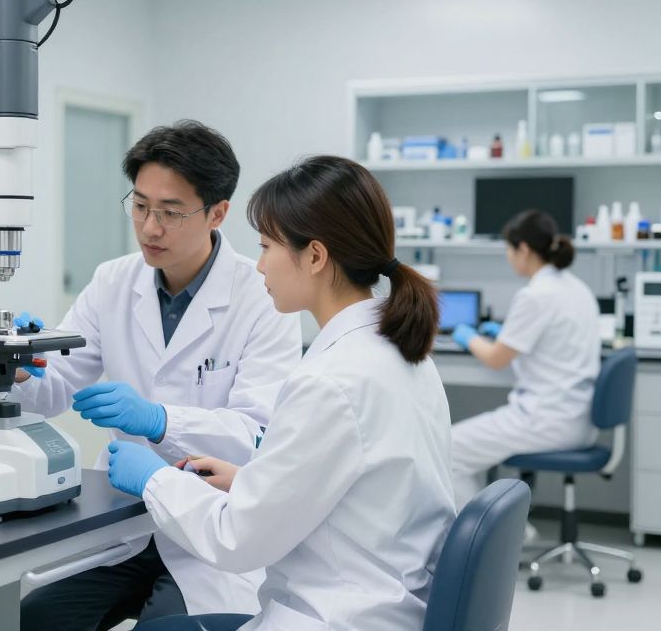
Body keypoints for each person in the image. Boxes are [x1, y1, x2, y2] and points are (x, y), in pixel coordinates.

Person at [105, 155, 456, 631]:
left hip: (335, 616)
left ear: (315, 256)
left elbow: (237, 540)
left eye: (267, 246)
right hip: (388, 597)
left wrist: (154, 479)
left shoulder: (331, 380)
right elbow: (350, 484)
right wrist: (248, 479)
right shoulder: (401, 351)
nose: (261, 264)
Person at [17, 120, 302, 631]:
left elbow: (260, 435)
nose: (150, 228)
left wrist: (159, 421)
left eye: (170, 213)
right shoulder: (113, 280)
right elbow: (53, 387)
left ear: (218, 213)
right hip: (122, 520)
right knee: (36, 615)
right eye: (141, 206)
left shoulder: (263, 296)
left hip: (208, 529)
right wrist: (22, 366)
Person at [449, 209, 600, 508]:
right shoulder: (576, 288)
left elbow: (495, 359)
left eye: (509, 248)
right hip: (577, 416)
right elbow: (551, 342)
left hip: (546, 418)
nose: (507, 256)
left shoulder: (536, 295)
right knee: (463, 452)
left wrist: (468, 337)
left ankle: (482, 541)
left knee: (446, 450)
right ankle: (505, 529)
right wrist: (507, 332)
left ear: (524, 249)